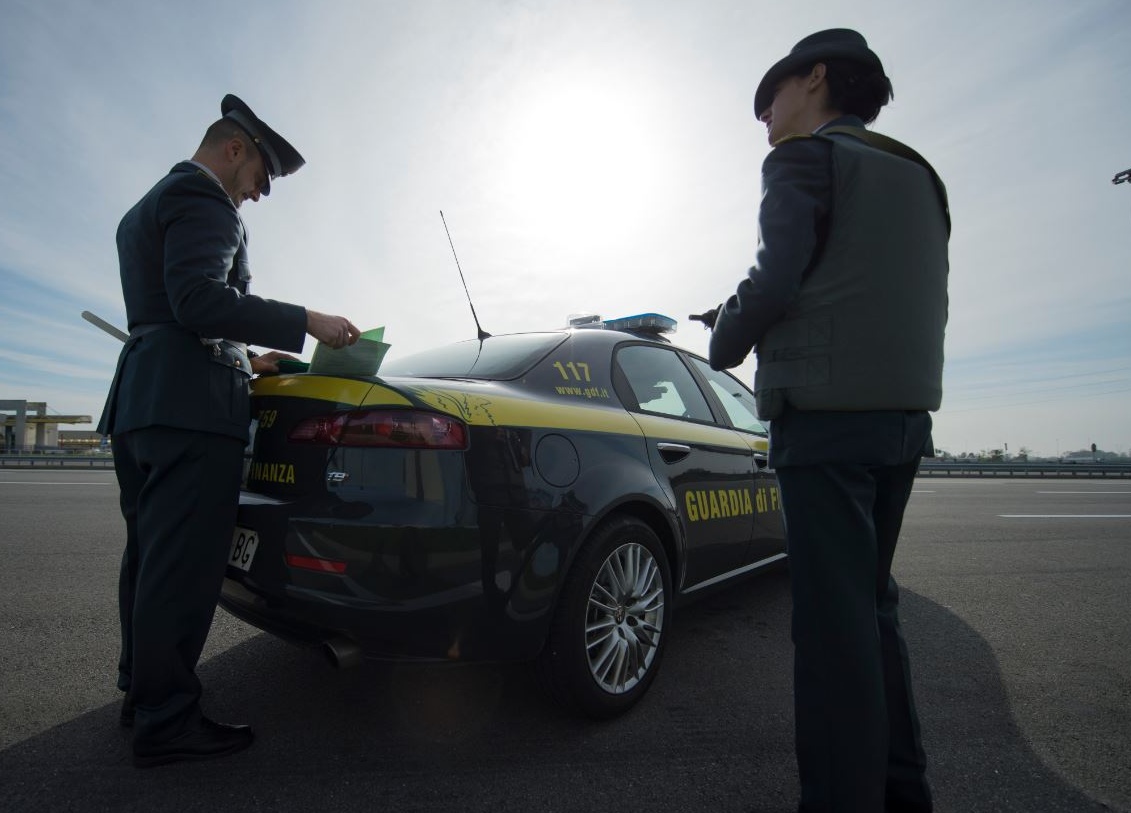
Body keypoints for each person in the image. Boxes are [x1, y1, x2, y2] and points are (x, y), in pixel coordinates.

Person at [701, 29, 949, 813]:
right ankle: (902, 791)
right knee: (872, 614)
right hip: (902, 421)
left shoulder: (803, 159)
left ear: (813, 80)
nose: (764, 117)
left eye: (769, 95)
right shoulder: (918, 173)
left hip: (826, 426)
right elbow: (859, 278)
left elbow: (773, 279)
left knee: (832, 638)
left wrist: (724, 334)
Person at [97, 94, 361, 768]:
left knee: (149, 561)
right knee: (183, 569)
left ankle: (144, 693)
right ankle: (167, 719)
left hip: (144, 397)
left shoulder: (146, 205)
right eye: (261, 179)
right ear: (234, 149)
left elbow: (168, 310)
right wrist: (305, 318)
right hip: (191, 407)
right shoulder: (206, 199)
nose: (259, 194)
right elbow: (199, 299)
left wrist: (249, 356)